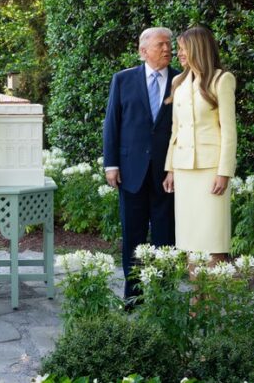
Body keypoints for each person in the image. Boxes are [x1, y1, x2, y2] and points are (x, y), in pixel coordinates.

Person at [103, 27, 179, 303]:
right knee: (133, 234)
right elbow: (112, 122)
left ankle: (163, 296)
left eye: (169, 44)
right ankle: (133, 296)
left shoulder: (181, 80)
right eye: (161, 44)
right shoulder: (123, 79)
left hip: (166, 173)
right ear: (143, 50)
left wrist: (175, 167)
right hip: (130, 170)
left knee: (165, 235)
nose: (167, 49)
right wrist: (111, 164)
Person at [162, 26, 237, 265]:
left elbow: (229, 131)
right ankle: (196, 291)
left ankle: (214, 291)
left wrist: (224, 172)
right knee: (190, 243)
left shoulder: (222, 80)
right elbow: (175, 130)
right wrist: (170, 169)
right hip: (183, 171)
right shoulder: (178, 82)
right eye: (179, 49)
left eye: (184, 49)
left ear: (198, 49)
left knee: (213, 241)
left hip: (211, 171)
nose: (179, 54)